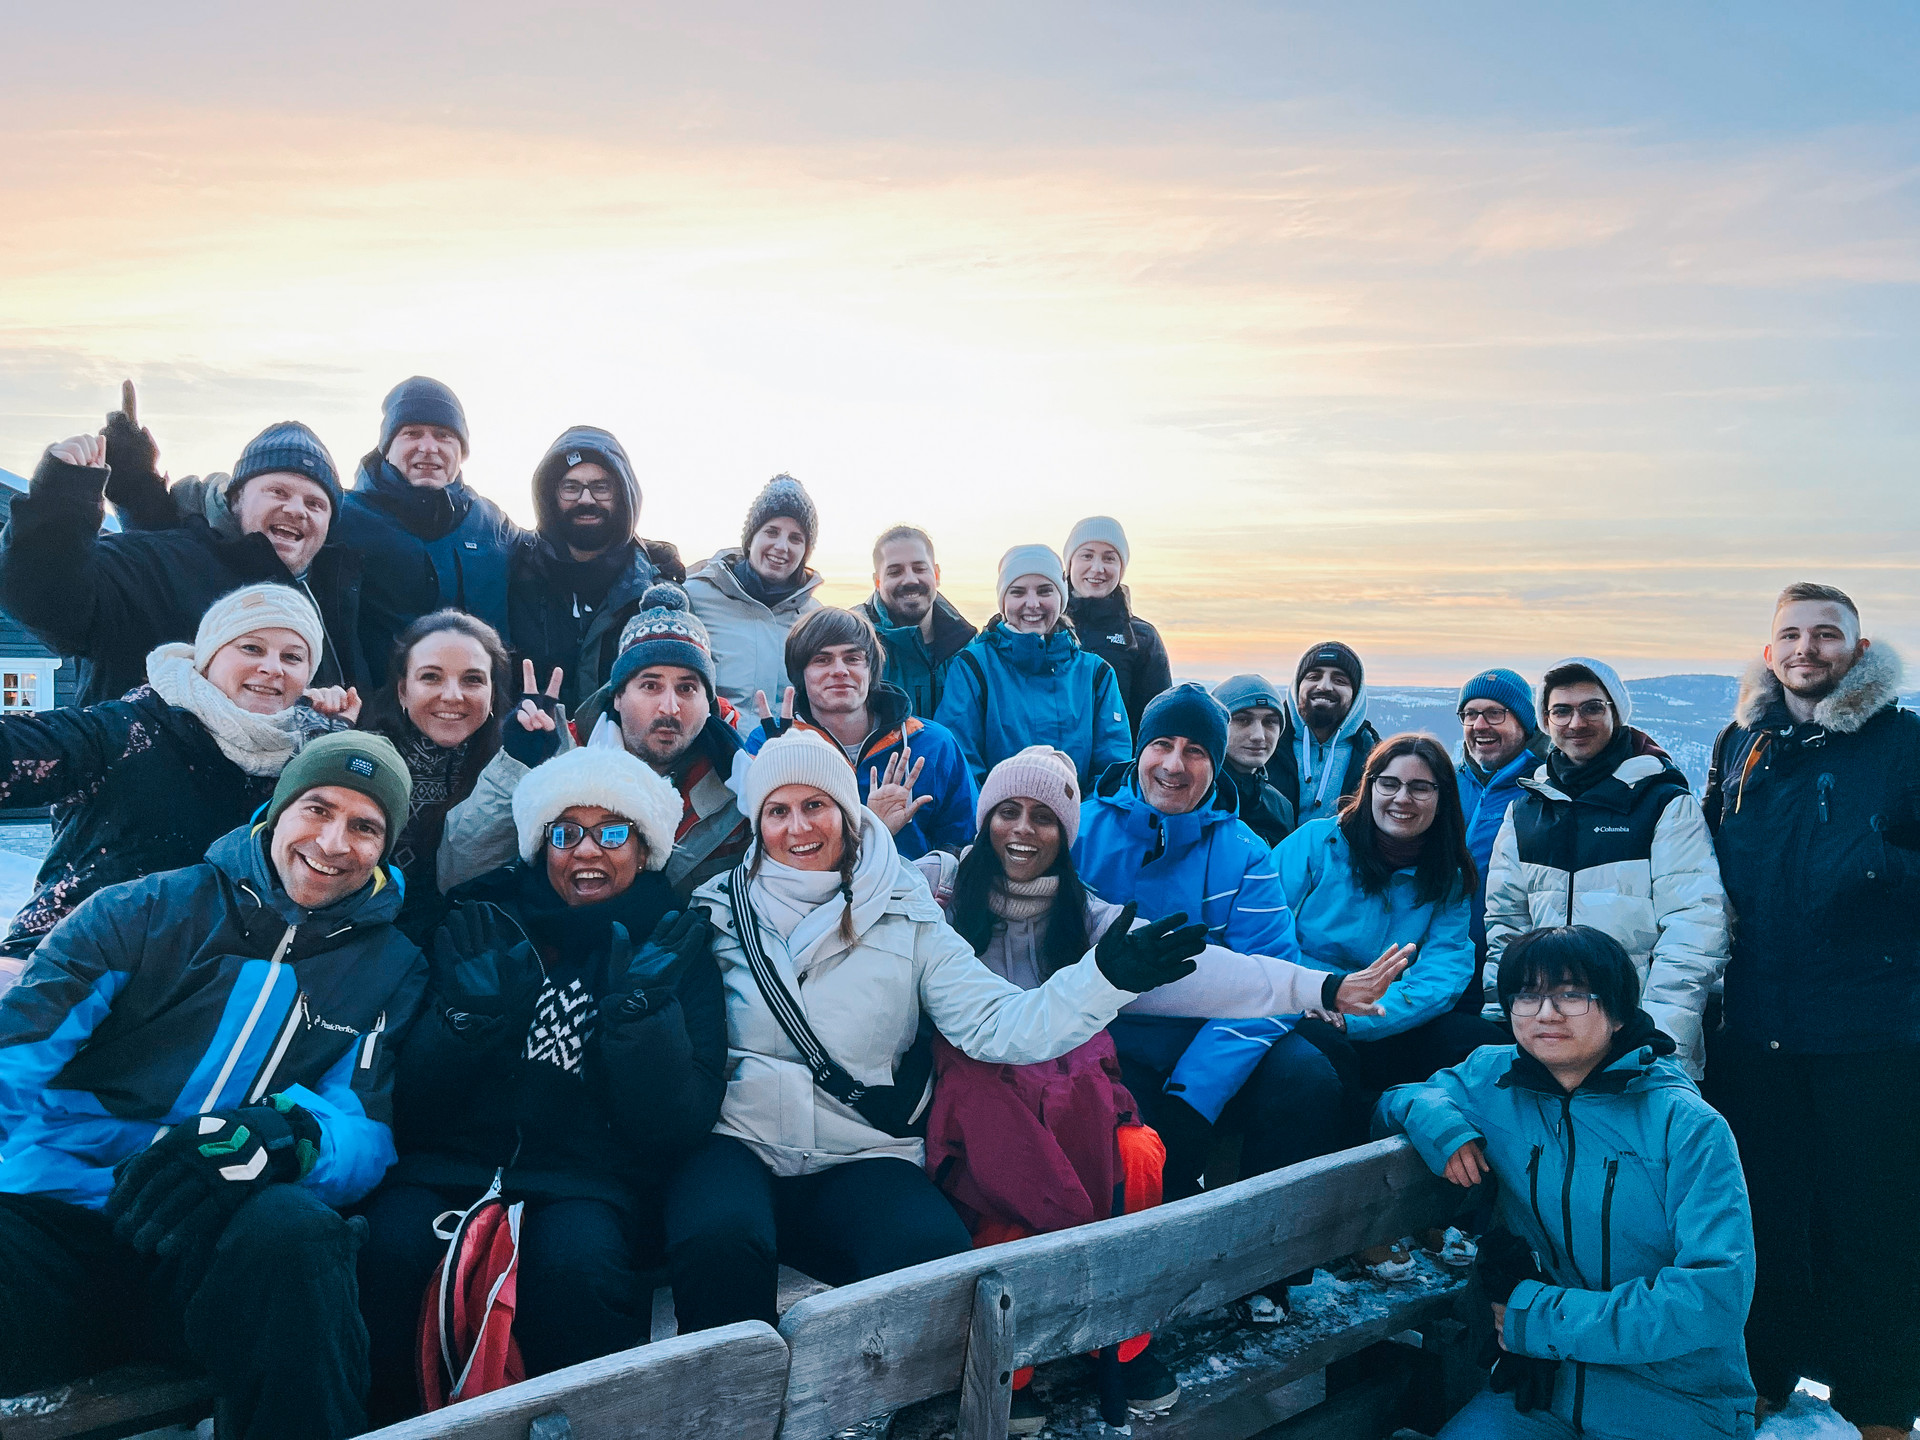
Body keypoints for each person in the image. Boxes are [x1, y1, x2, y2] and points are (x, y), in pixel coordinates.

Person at [918, 746, 1405, 1431]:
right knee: (1021, 1168)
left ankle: (1119, 1338)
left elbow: (1202, 971)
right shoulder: (938, 889)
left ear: (1066, 834)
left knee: (1139, 1154)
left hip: (1069, 1086)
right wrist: (875, 829)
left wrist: (1320, 987)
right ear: (984, 819)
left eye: (1043, 817)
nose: (1023, 830)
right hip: (975, 1090)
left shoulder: (1086, 916)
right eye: (1007, 811)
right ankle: (1015, 1360)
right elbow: (856, 885)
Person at [662, 729, 1207, 1334]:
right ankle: (734, 1395)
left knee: (930, 1259)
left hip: (860, 1148)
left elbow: (996, 1024)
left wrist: (1103, 979)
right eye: (777, 811)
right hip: (740, 1141)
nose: (798, 828)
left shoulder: (907, 910)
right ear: (758, 823)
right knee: (716, 1242)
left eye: (815, 805)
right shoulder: (716, 911)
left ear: (846, 814)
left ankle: (907, 1393)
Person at [0, 732, 425, 1440]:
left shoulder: (390, 965)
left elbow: (363, 1125)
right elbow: (16, 1055)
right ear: (278, 810)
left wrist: (288, 1137)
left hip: (203, 1249)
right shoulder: (143, 910)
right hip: (58, 1224)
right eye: (317, 809)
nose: (333, 842)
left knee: (299, 1237)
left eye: (365, 826)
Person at [356, 722, 725, 1426]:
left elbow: (675, 1126)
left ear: (644, 848)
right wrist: (464, 1024)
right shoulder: (481, 920)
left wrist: (641, 1020)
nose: (586, 850)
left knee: (576, 1266)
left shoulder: (673, 942)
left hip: (589, 1178)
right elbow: (412, 1105)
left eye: (611, 833)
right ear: (540, 845)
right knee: (391, 1247)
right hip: (448, 1163)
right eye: (565, 833)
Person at [1377, 926, 1756, 1440]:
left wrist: (1540, 1319)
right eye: (1527, 995)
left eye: (1572, 995)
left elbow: (1713, 1297)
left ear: (1618, 1012)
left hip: (1673, 1401)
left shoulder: (1685, 1126)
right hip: (1539, 1395)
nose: (1546, 1013)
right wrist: (1442, 1128)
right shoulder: (1495, 1079)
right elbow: (1402, 1097)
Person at [1701, 584, 1919, 1440]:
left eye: (1827, 635)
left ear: (1858, 653)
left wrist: (1880, 870)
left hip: (1872, 1027)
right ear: (1769, 653)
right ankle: (1762, 1376)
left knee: (1875, 1222)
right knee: (1763, 1213)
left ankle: (1879, 1406)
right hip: (1758, 1025)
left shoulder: (1903, 743)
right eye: (1791, 634)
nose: (1807, 648)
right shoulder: (1741, 743)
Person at [1073, 684, 1342, 1210]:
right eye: (1162, 745)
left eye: (1195, 751)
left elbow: (1272, 979)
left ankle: (1269, 1241)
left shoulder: (1243, 853)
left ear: (1216, 766)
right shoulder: (1081, 832)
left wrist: (1195, 1092)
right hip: (1108, 1041)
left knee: (1307, 1079)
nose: (1174, 765)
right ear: (1140, 750)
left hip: (1212, 1040)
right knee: (1127, 1144)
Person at [0, 584, 353, 965]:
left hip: (198, 986)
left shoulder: (304, 760)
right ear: (209, 657)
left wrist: (336, 736)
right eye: (251, 648)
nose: (272, 667)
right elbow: (27, 746)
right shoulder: (127, 731)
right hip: (64, 965)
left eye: (292, 657)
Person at [0, 411, 365, 708]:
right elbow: (46, 600)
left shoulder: (328, 591)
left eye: (315, 503)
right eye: (278, 491)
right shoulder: (157, 562)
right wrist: (62, 501)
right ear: (235, 500)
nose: (297, 510)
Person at [1483, 657, 1727, 1077]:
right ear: (1546, 721)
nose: (1576, 722)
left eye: (1592, 708)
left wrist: (1660, 1036)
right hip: (1547, 1032)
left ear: (1617, 712)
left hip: (1636, 1034)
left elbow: (1695, 927)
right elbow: (1506, 923)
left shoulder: (1661, 803)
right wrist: (1506, 1016)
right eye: (1561, 711)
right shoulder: (1526, 812)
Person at [439, 584, 754, 901]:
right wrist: (515, 765)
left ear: (708, 702)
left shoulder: (741, 778)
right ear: (618, 696)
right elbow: (457, 873)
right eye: (650, 686)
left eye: (687, 688)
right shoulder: (559, 753)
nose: (669, 707)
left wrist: (767, 785)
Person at [1280, 734, 1501, 1140]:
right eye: (1389, 783)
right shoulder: (1317, 843)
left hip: (1385, 1013)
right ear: (1370, 787)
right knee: (1321, 1059)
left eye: (1420, 788)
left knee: (1480, 1043)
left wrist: (1356, 1014)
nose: (1402, 798)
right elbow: (1263, 930)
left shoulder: (1447, 876)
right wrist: (1323, 993)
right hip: (1310, 1006)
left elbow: (1443, 973)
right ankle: (1348, 1161)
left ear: (1442, 799)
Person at [745, 607, 977, 860]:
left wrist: (937, 868)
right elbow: (758, 849)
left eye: (852, 658)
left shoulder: (933, 743)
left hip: (913, 883)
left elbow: (963, 840)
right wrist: (872, 828)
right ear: (800, 674)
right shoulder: (770, 742)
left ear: (871, 669)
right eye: (822, 660)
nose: (840, 670)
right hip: (808, 885)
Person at [333, 377, 525, 681]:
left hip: (481, 705)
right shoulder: (340, 518)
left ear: (462, 451)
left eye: (443, 435)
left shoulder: (492, 524)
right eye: (412, 433)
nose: (428, 447)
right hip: (377, 706)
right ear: (387, 448)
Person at [358, 609, 512, 936]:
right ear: (402, 690)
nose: (452, 696)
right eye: (431, 677)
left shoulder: (511, 767)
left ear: (493, 694)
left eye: (472, 679)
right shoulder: (362, 761)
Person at [508, 425, 681, 712]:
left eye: (601, 487)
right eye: (571, 487)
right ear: (550, 496)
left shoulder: (655, 593)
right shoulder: (515, 576)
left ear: (623, 496)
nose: (586, 500)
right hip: (530, 738)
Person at [935, 544, 1131, 790]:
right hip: (992, 814)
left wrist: (1078, 813)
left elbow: (1112, 772)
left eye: (1044, 591)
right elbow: (961, 766)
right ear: (1003, 601)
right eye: (1017, 592)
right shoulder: (973, 668)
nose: (1032, 603)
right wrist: (1000, 812)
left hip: (1080, 815)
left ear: (1061, 597)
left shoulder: (1096, 675)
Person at [685, 474, 825, 721]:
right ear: (750, 540)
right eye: (772, 532)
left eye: (795, 538)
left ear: (805, 552)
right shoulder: (695, 597)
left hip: (790, 745)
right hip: (716, 743)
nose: (781, 546)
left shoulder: (815, 617)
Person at [1454, 669, 1549, 1008]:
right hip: (1439, 965)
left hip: (1516, 972)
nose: (1479, 725)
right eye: (1470, 714)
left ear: (1525, 723)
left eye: (1495, 713)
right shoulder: (1445, 784)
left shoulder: (1546, 789)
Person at [1063, 517, 1172, 735]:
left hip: (1118, 756)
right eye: (1087, 555)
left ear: (1121, 568)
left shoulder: (1141, 637)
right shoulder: (1041, 628)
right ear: (1070, 563)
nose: (1097, 568)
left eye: (1109, 558)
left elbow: (1157, 724)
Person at [856, 525, 977, 717]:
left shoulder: (969, 648)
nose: (910, 580)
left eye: (919, 569)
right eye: (895, 572)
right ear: (877, 581)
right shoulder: (854, 643)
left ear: (936, 574)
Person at [1272, 641, 1382, 828]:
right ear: (1297, 686)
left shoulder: (1372, 756)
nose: (1324, 686)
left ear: (1356, 695)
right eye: (1313, 676)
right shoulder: (1266, 746)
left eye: (1339, 680)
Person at [1212, 673, 1297, 847]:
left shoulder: (1281, 807)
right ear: (1216, 725)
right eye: (1243, 720)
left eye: (1269, 721)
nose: (1258, 736)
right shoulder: (1193, 797)